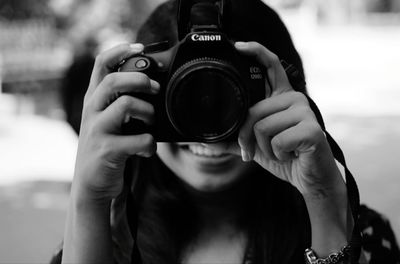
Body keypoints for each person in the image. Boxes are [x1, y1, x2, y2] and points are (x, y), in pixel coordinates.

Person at [55, 1, 399, 264]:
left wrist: (325, 201)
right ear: (137, 94)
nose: (211, 131)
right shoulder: (100, 236)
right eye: (185, 95)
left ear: (287, 97)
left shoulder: (362, 233)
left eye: (228, 95)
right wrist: (89, 198)